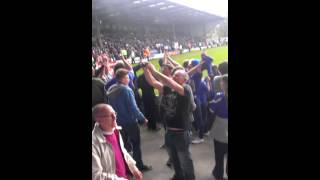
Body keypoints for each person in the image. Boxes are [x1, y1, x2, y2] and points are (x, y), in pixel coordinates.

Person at [143, 63, 195, 180]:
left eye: (178, 76)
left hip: (181, 132)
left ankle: (190, 178)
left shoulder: (186, 88)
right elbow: (152, 82)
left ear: (185, 79)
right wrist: (146, 69)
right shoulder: (167, 89)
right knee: (174, 157)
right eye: (174, 75)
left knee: (185, 159)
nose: (174, 77)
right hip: (169, 132)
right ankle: (178, 176)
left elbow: (172, 83)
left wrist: (155, 71)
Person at [106, 69, 152, 172]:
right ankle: (138, 166)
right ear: (122, 78)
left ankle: (127, 167)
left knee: (124, 146)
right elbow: (133, 108)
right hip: (130, 122)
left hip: (118, 122)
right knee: (135, 145)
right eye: (127, 77)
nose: (129, 79)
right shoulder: (126, 90)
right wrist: (143, 118)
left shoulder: (111, 89)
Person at [92, 104, 143, 180]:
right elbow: (96, 175)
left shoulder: (115, 131)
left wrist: (133, 168)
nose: (114, 117)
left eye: (114, 113)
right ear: (98, 119)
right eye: (110, 115)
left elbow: (123, 152)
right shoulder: (94, 144)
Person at [209, 74, 228, 180]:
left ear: (224, 84)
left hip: (220, 129)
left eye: (222, 82)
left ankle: (218, 174)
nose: (220, 83)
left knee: (219, 154)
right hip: (221, 128)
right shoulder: (220, 96)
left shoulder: (219, 96)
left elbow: (211, 110)